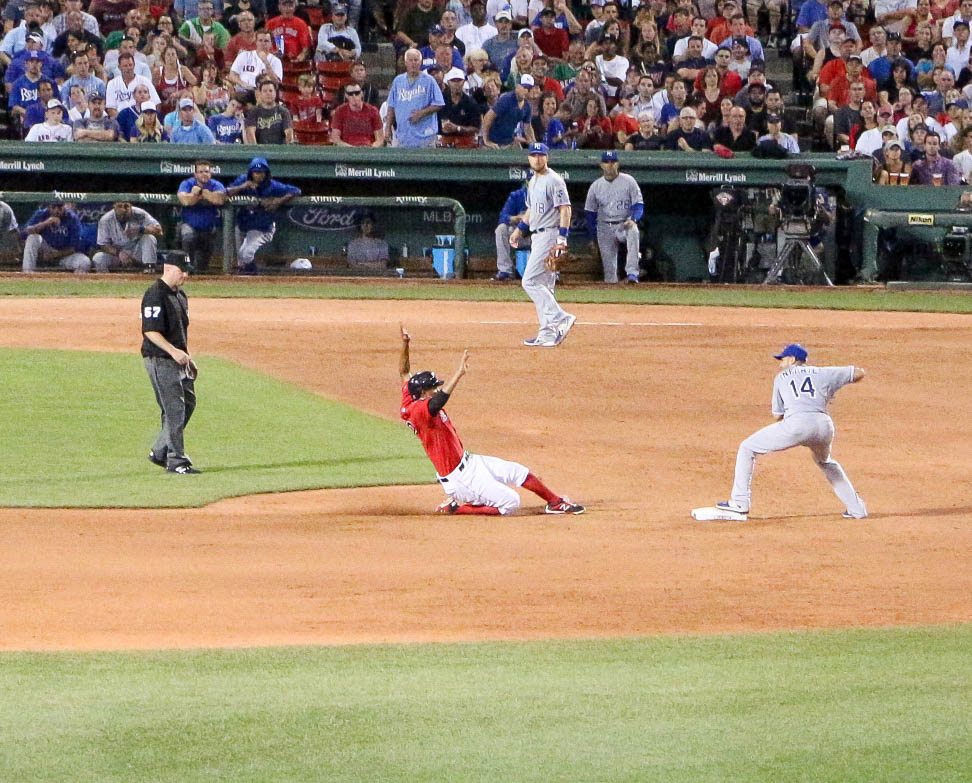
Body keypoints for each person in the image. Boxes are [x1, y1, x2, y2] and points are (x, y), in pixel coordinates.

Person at [398, 324, 584, 516]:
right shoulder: (419, 410)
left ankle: (555, 502)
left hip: (470, 462)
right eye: (433, 387)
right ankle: (457, 508)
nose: (436, 389)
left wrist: (406, 344)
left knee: (518, 471)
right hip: (460, 478)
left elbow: (404, 372)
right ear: (422, 392)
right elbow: (439, 401)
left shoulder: (410, 396)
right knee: (511, 502)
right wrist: (459, 374)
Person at [711, 343, 868, 520]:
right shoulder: (823, 372)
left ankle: (739, 502)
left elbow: (778, 415)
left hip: (798, 424)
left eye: (783, 359)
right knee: (825, 461)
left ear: (792, 360)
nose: (780, 364)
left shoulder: (781, 377)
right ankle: (857, 509)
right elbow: (858, 372)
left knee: (747, 448)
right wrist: (829, 390)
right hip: (824, 426)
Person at [507, 142, 576, 348]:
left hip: (549, 235)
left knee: (529, 281)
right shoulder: (533, 181)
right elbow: (531, 211)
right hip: (537, 235)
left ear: (547, 157)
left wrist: (562, 239)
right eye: (534, 155)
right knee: (545, 286)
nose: (537, 158)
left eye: (541, 155)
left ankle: (561, 317)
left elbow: (566, 209)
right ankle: (547, 333)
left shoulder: (554, 180)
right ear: (529, 158)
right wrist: (520, 230)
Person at [142, 253, 200, 475]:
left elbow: (179, 332)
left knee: (188, 404)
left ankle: (159, 450)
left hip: (177, 359)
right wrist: (174, 352)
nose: (185, 274)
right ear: (168, 268)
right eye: (182, 270)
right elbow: (150, 331)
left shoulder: (180, 295)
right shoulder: (154, 295)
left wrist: (187, 356)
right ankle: (176, 460)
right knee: (174, 409)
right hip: (160, 359)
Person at [225, 156, 301, 274]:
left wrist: (278, 201)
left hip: (263, 227)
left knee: (246, 254)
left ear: (266, 173)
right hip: (243, 224)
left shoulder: (272, 185)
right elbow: (227, 192)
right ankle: (248, 275)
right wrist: (243, 186)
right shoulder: (242, 180)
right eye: (255, 172)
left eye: (261, 172)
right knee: (241, 256)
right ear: (251, 173)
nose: (258, 175)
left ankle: (253, 274)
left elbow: (296, 190)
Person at [584, 150, 644, 284]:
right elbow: (590, 214)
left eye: (613, 162)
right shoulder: (596, 186)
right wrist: (592, 237)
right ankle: (613, 297)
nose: (610, 165)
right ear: (601, 165)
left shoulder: (629, 181)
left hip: (624, 224)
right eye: (606, 162)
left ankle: (632, 274)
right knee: (610, 273)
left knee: (633, 230)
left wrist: (633, 219)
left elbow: (639, 205)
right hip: (604, 226)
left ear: (618, 164)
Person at [384, 47, 444, 148]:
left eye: (416, 60)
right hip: (403, 136)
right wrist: (387, 127)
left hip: (425, 137)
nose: (413, 63)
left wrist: (421, 113)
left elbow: (439, 104)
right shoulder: (398, 81)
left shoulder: (429, 80)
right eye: (410, 60)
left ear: (420, 62)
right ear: (405, 62)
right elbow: (391, 106)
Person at [177, 159, 226, 272]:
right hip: (189, 225)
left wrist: (200, 192)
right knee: (187, 235)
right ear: (195, 174)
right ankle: (186, 268)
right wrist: (195, 196)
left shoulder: (215, 184)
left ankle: (200, 272)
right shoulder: (187, 183)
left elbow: (220, 199)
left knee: (202, 267)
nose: (204, 174)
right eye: (201, 172)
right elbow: (185, 201)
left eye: (206, 171)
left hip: (208, 229)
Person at [21, 198, 91, 273]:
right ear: (48, 207)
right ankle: (27, 273)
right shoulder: (42, 214)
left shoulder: (72, 218)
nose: (56, 210)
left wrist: (57, 254)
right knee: (33, 238)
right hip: (46, 251)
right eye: (53, 207)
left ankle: (73, 283)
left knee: (84, 262)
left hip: (64, 255)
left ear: (64, 206)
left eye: (60, 207)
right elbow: (24, 233)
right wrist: (46, 223)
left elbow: (75, 247)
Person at [494, 177, 529, 281]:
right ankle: (505, 271)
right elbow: (502, 217)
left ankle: (553, 273)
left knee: (552, 231)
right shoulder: (517, 195)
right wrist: (517, 218)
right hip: (519, 236)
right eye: (532, 180)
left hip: (540, 235)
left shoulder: (547, 195)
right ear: (527, 181)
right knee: (501, 229)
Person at [244, 78, 293, 144]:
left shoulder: (284, 112)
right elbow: (250, 133)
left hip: (279, 151)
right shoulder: (253, 112)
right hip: (260, 151)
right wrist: (256, 151)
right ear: (260, 94)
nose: (268, 93)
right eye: (265, 91)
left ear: (275, 93)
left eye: (270, 91)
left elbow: (289, 133)